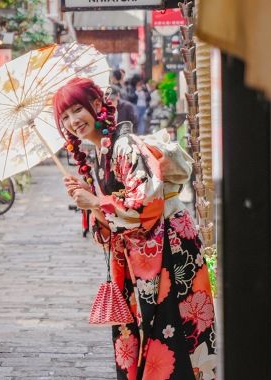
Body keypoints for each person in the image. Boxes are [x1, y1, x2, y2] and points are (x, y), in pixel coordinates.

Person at [53, 77, 217, 380]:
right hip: (142, 259)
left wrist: (96, 202)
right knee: (147, 338)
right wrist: (90, 201)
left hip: (169, 251)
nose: (73, 121)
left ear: (98, 105)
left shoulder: (123, 145)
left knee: (172, 338)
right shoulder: (102, 153)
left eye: (77, 110)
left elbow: (145, 206)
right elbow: (114, 222)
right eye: (64, 116)